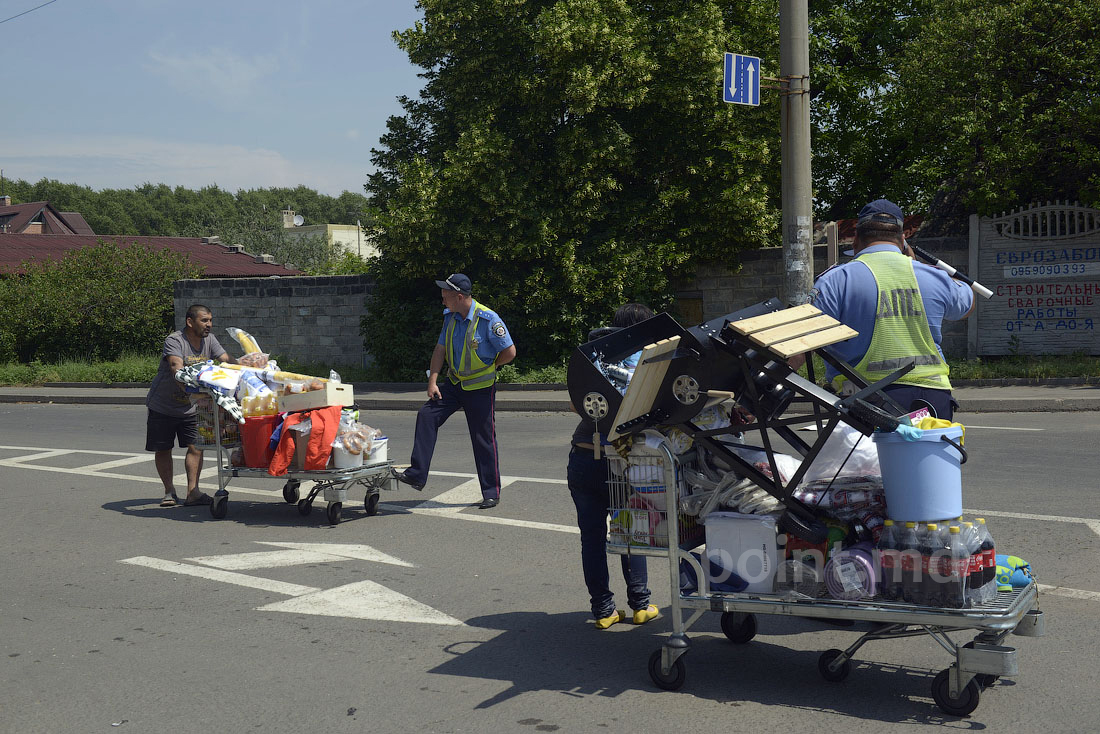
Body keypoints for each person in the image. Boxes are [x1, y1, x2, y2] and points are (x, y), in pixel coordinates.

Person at [806, 198, 974, 418]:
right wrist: (914, 262)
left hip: (866, 403)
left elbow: (803, 338)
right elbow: (966, 307)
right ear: (903, 238)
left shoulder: (836, 280)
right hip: (933, 402)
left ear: (856, 239)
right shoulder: (933, 276)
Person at [568, 302, 659, 629]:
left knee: (591, 538)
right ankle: (640, 605)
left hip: (583, 457)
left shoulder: (594, 357)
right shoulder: (647, 360)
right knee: (631, 532)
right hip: (622, 464)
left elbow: (576, 403)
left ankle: (604, 611)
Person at [391, 273, 516, 509]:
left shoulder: (488, 319)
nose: (442, 301)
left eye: (445, 297)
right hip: (454, 384)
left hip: (480, 388)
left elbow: (509, 352)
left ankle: (491, 492)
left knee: (483, 440)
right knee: (427, 415)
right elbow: (440, 349)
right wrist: (433, 381)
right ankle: (417, 474)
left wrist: (491, 366)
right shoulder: (450, 317)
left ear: (459, 297)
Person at [145, 304, 234, 507]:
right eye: (204, 320)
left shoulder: (209, 340)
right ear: (190, 322)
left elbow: (226, 360)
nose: (209, 325)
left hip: (192, 408)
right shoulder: (175, 340)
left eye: (210, 320)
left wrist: (248, 367)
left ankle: (192, 492)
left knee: (197, 447)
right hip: (163, 405)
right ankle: (169, 491)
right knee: (164, 448)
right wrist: (194, 392)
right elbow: (177, 368)